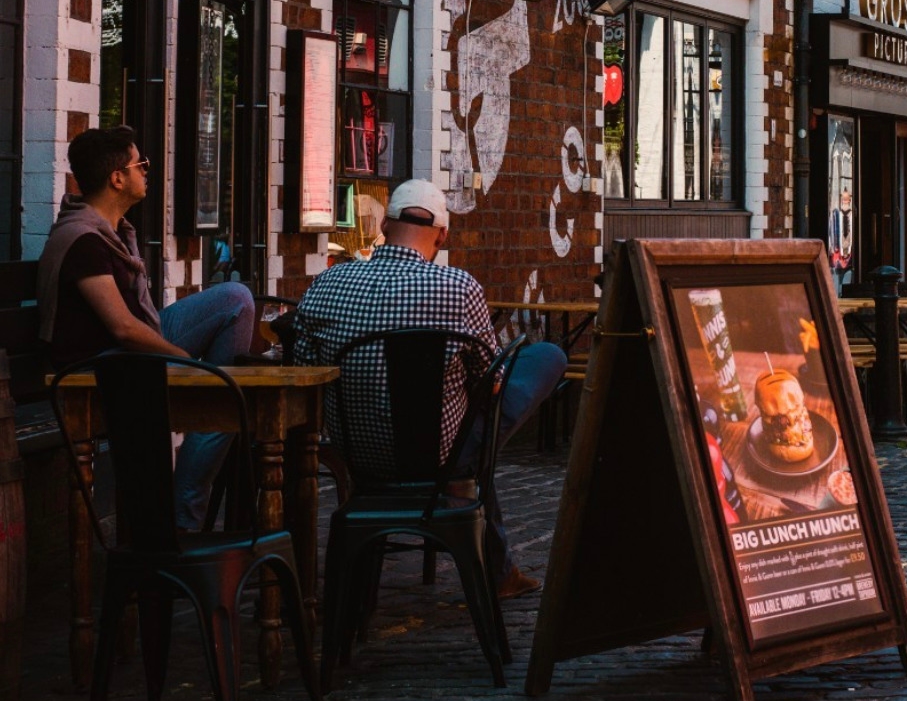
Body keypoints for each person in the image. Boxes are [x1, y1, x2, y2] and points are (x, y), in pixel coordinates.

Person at [294, 177, 566, 600]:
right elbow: (491, 386)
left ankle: (492, 551)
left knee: (471, 430)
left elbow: (304, 370)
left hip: (357, 455)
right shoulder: (458, 288)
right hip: (437, 456)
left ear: (384, 225)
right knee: (546, 357)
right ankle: (480, 531)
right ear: (442, 235)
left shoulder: (328, 283)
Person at [38, 125, 255, 530]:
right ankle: (184, 515)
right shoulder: (83, 240)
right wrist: (189, 363)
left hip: (126, 351)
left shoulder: (110, 231)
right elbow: (122, 328)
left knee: (235, 299)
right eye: (141, 164)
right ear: (117, 178)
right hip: (105, 362)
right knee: (227, 398)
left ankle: (215, 404)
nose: (146, 171)